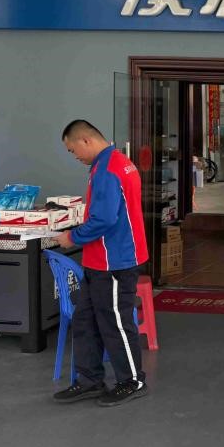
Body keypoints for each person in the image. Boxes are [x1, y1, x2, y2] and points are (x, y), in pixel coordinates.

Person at [53, 120, 149, 407]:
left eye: (73, 150)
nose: (75, 156)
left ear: (85, 140)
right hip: (99, 260)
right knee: (85, 320)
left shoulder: (108, 169)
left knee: (115, 323)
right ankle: (89, 380)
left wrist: (73, 237)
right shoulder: (116, 162)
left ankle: (132, 380)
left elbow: (105, 219)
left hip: (115, 261)